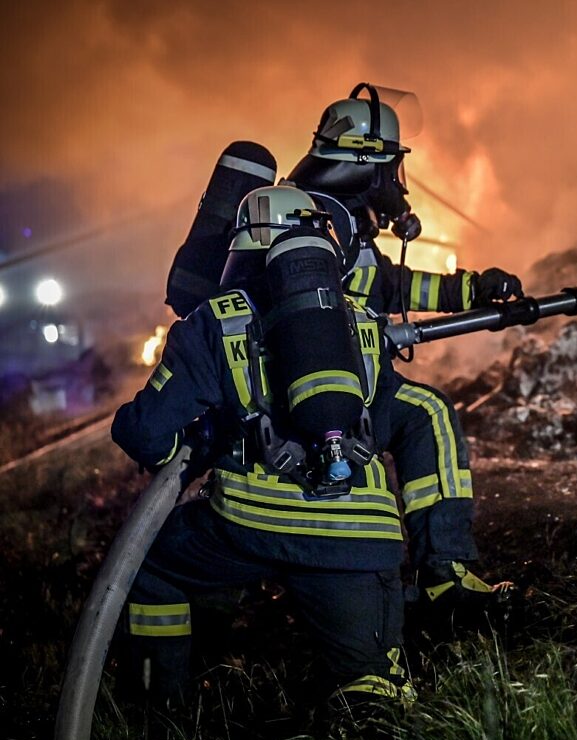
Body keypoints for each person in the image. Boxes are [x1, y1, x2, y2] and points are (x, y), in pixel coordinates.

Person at [112, 186, 414, 710]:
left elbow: (145, 433)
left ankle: (159, 714)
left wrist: (197, 444)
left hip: (249, 526)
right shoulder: (363, 319)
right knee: (372, 688)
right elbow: (381, 427)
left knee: (150, 568)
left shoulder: (217, 318)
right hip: (359, 536)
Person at [287, 82, 522, 607]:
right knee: (427, 414)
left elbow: (386, 286)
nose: (396, 183)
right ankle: (444, 572)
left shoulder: (332, 216)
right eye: (391, 168)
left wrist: (470, 290)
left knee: (426, 412)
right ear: (365, 165)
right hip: (338, 389)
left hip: (347, 382)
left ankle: (442, 571)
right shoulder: (325, 221)